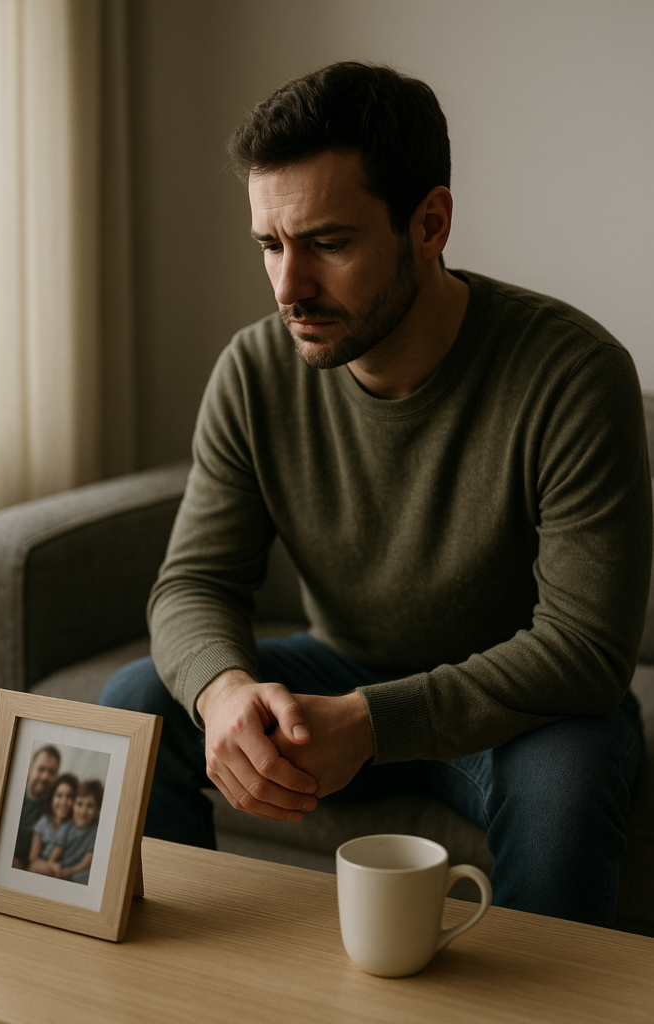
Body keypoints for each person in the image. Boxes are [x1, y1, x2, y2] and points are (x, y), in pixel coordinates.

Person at [98, 61, 652, 926]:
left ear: (428, 224)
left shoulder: (571, 374)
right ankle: (191, 996)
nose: (289, 289)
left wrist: (373, 722)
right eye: (270, 245)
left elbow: (583, 648)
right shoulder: (254, 370)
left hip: (519, 711)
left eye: (327, 243)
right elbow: (193, 583)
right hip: (341, 665)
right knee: (137, 699)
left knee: (570, 781)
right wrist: (226, 693)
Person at [12, 745, 61, 869]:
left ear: (56, 778)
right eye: (41, 769)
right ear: (30, 770)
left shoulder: (55, 811)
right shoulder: (11, 793)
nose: (45, 777)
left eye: (51, 772)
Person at [47, 779, 104, 885]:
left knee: (87, 877)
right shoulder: (68, 826)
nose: (83, 811)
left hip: (78, 871)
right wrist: (52, 864)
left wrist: (68, 872)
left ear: (98, 810)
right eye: (79, 804)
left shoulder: (95, 832)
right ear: (73, 805)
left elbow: (86, 863)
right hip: (61, 867)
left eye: (90, 806)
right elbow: (56, 851)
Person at [27, 773, 78, 875]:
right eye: (59, 796)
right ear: (52, 798)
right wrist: (50, 866)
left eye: (69, 797)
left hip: (64, 869)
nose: (63, 802)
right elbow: (33, 858)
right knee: (33, 867)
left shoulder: (74, 825)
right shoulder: (43, 822)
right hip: (43, 865)